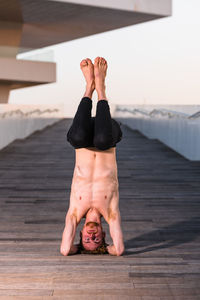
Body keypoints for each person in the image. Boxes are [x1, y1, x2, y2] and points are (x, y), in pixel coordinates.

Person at [60, 57, 124, 256]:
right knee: (103, 140)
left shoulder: (75, 211)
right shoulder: (111, 212)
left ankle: (89, 87)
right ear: (105, 233)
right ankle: (102, 88)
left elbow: (64, 250)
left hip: (84, 137)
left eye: (86, 240)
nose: (92, 236)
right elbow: (119, 249)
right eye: (97, 240)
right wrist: (111, 250)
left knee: (77, 138)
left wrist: (75, 248)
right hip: (107, 136)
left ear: (80, 233)